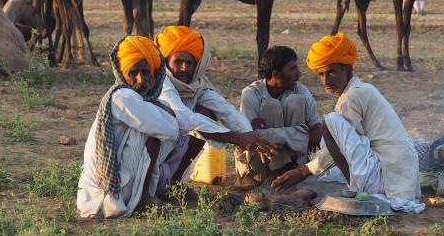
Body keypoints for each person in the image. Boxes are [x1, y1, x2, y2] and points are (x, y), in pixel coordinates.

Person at [272, 32, 424, 213]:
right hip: (398, 179)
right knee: (330, 155)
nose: (325, 80)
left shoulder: (353, 96)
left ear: (346, 69)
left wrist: (302, 172)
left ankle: (357, 190)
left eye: (331, 72)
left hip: (390, 179)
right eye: (321, 74)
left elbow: (337, 145)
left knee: (331, 122)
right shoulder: (362, 89)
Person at [155, 26, 277, 194]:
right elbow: (185, 117)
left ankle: (173, 185)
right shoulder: (161, 83)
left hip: (173, 148)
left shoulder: (197, 84)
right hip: (149, 153)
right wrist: (237, 138)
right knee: (193, 122)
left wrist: (249, 138)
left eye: (189, 63)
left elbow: (226, 110)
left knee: (206, 113)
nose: (184, 68)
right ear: (166, 62)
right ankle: (152, 191)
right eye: (178, 61)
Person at [77, 36, 180, 218]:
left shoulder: (130, 97)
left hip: (97, 195)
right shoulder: (123, 96)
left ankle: (148, 194)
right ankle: (144, 200)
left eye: (146, 72)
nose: (141, 80)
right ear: (121, 73)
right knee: (151, 132)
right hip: (109, 193)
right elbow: (170, 130)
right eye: (133, 73)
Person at [237, 46, 323, 188]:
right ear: (276, 73)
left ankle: (287, 170)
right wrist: (300, 135)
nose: (299, 74)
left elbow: (317, 133)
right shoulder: (251, 93)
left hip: (295, 167)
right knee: (271, 106)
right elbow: (248, 138)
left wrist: (266, 134)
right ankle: (275, 172)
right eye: (293, 68)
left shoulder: (300, 91)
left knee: (296, 101)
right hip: (259, 169)